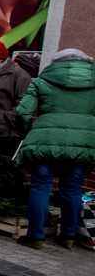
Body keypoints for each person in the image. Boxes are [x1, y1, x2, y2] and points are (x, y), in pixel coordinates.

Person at [13, 48, 95, 249]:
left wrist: (28, 134)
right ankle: (68, 237)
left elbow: (23, 113)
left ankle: (35, 236)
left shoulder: (43, 81)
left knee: (41, 186)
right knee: (72, 188)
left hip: (45, 140)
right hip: (82, 144)